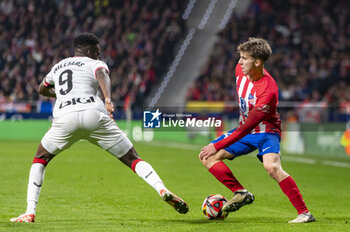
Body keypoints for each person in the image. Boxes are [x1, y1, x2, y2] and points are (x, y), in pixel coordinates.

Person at [10, 33, 189, 223]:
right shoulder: (94, 63)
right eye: (97, 51)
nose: (99, 54)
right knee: (132, 159)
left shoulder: (58, 66)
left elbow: (41, 89)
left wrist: (63, 95)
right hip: (94, 114)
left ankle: (30, 212)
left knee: (40, 159)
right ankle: (161, 189)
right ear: (89, 51)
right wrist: (108, 99)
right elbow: (102, 74)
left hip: (65, 118)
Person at [199, 38, 315, 223]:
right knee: (206, 157)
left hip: (267, 132)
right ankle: (240, 193)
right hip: (246, 131)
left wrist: (217, 145)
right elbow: (244, 128)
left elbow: (246, 128)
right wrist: (215, 147)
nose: (239, 62)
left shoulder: (268, 91)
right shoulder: (240, 70)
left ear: (257, 62)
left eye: (244, 58)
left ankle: (305, 213)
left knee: (272, 167)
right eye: (240, 57)